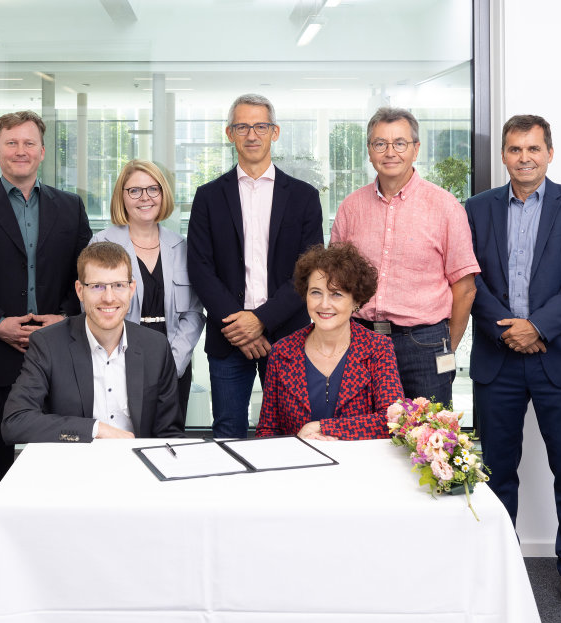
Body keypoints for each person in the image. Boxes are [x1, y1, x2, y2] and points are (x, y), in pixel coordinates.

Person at [466, 114, 561, 623]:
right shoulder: (475, 209)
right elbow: (466, 275)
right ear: (503, 155)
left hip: (560, 358)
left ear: (549, 153)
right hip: (498, 359)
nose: (524, 157)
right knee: (494, 473)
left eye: (534, 149)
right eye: (515, 149)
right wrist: (508, 328)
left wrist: (536, 327)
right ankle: (498, 568)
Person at [0, 111, 91, 532]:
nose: (20, 151)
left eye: (29, 143)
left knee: (59, 469)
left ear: (42, 152)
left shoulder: (70, 207)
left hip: (59, 353)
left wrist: (64, 316)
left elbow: (86, 273)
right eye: (11, 143)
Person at [188, 93, 323, 438]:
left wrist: (260, 321)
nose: (252, 135)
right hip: (228, 335)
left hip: (288, 335)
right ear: (229, 133)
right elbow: (200, 267)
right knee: (228, 431)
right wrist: (240, 324)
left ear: (274, 132)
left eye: (260, 126)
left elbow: (308, 270)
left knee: (292, 432)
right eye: (242, 126)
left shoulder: (304, 196)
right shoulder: (208, 196)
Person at [331, 107, 479, 406]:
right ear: (370, 151)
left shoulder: (446, 207)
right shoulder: (350, 207)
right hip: (360, 340)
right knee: (360, 434)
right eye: (380, 143)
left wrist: (446, 347)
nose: (390, 152)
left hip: (424, 345)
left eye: (400, 143)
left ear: (416, 149)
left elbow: (465, 288)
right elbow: (336, 282)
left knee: (428, 441)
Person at [1, 242, 185, 443]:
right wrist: (95, 429)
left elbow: (169, 435)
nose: (108, 297)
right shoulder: (48, 344)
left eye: (118, 285)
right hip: (74, 467)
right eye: (97, 286)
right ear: (80, 291)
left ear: (131, 289)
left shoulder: (156, 347)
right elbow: (15, 422)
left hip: (136, 467)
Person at [91, 160, 205, 422]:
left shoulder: (181, 246)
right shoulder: (102, 243)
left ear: (163, 194)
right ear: (122, 196)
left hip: (174, 367)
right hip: (119, 367)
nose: (145, 198)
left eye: (153, 189)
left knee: (169, 445)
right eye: (134, 191)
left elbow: (194, 313)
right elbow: (96, 309)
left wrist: (172, 366)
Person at [257, 243, 404, 440]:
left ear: (356, 301)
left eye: (336, 294)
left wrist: (322, 427)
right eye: (316, 292)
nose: (324, 304)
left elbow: (392, 421)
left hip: (358, 467)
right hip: (299, 465)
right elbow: (266, 431)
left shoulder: (378, 349)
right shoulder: (282, 351)